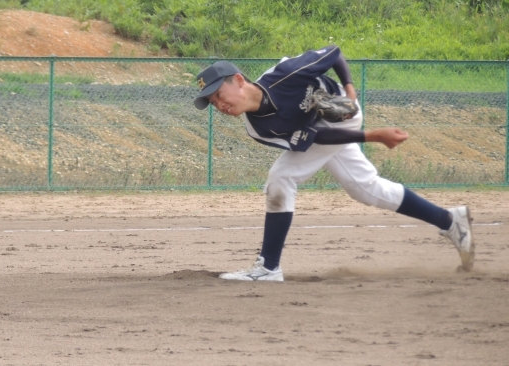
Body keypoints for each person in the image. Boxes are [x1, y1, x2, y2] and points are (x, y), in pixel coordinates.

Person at [194, 45, 475, 281]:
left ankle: (268, 267)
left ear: (239, 80)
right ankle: (450, 220)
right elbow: (316, 138)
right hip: (323, 131)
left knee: (281, 177)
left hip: (343, 113)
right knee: (366, 188)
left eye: (219, 94)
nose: (219, 105)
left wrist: (350, 92)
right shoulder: (258, 128)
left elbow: (334, 53)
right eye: (212, 102)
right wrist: (373, 136)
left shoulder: (286, 74)